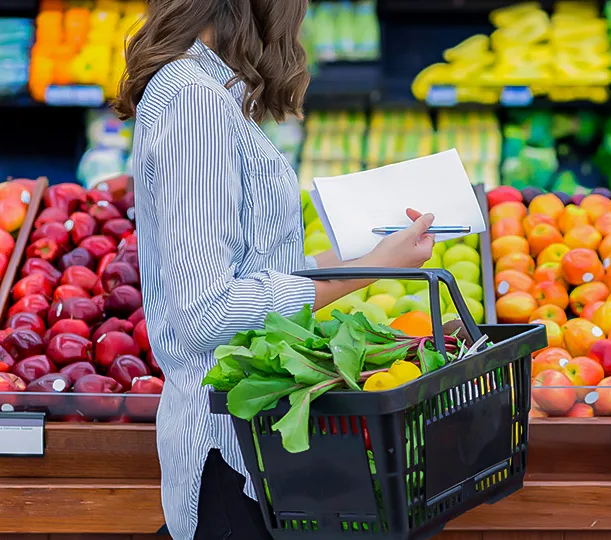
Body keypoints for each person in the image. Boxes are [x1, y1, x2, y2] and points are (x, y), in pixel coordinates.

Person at [114, 1, 435, 538]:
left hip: (257, 448)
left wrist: (377, 257)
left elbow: (258, 270)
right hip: (227, 452)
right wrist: (369, 271)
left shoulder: (208, 93)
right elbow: (206, 312)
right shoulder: (195, 105)